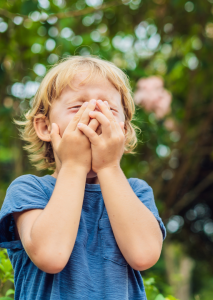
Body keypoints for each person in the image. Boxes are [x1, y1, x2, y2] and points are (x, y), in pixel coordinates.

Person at [0, 55, 167, 300]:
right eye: (78, 107)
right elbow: (51, 256)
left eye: (109, 109)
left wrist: (109, 166)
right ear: (45, 127)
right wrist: (74, 165)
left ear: (124, 131)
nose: (93, 115)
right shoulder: (28, 189)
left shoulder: (136, 192)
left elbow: (144, 255)